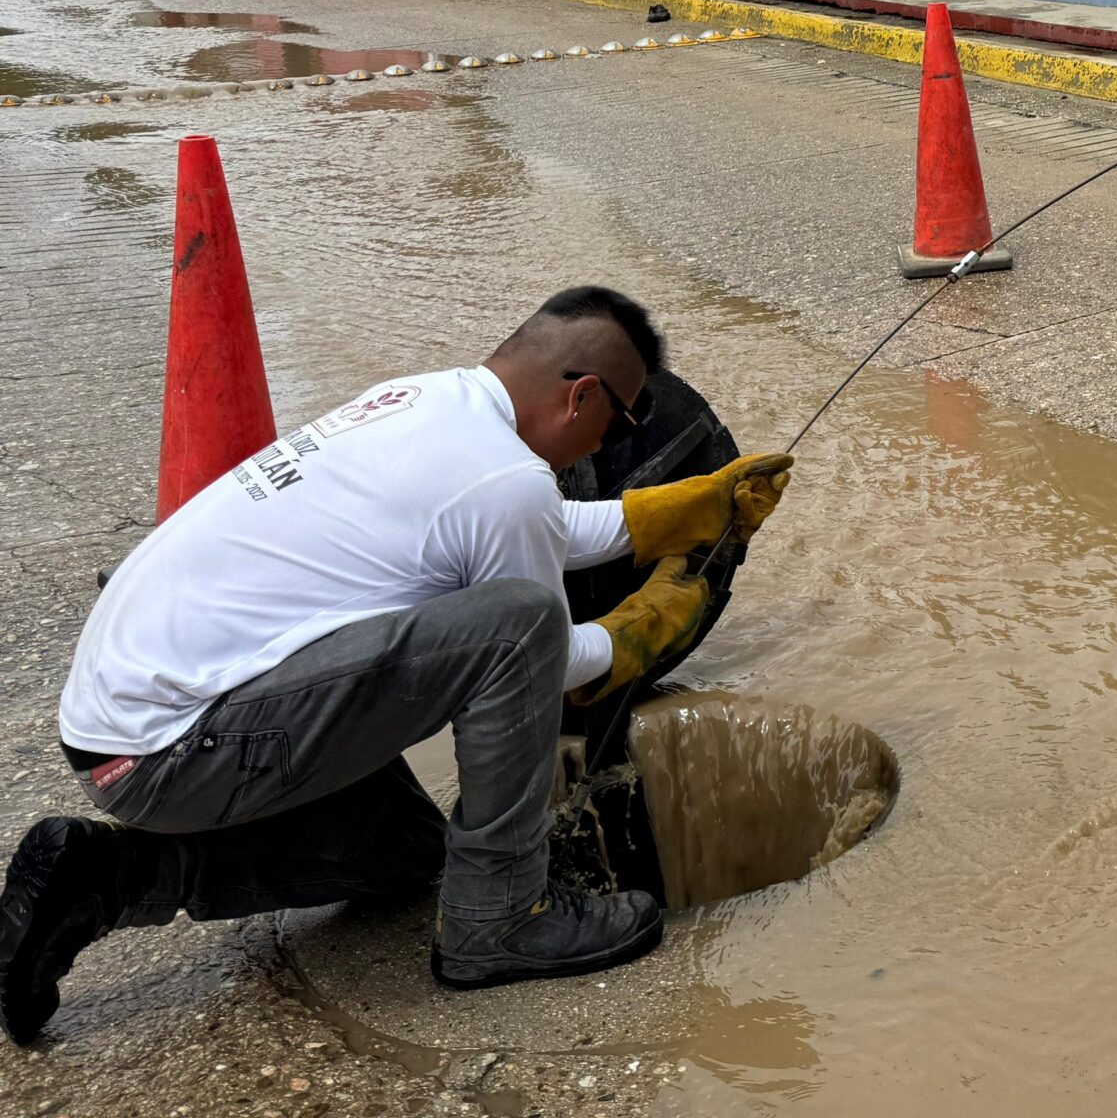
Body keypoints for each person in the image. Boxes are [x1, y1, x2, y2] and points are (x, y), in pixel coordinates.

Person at [0, 287, 794, 1042]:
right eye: (615, 424)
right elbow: (547, 656)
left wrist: (685, 510)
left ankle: (107, 875)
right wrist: (649, 626)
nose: (607, 447)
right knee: (518, 626)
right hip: (171, 752)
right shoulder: (505, 479)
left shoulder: (427, 402)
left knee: (409, 857)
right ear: (581, 394)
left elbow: (530, 517)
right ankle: (500, 921)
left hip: (134, 718)